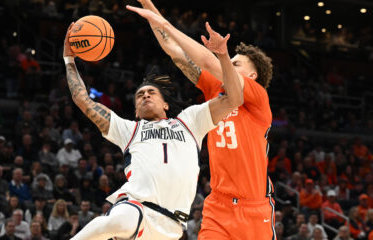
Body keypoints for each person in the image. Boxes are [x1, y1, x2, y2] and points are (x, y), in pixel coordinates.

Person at [63, 9, 242, 238]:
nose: (145, 96)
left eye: (151, 92)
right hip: (136, 208)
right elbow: (83, 101)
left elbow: (234, 99)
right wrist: (69, 59)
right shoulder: (129, 129)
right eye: (139, 95)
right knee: (107, 224)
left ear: (166, 104)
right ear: (136, 111)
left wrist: (224, 57)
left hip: (171, 227)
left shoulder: (190, 121)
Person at [127, 1, 275, 239]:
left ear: (252, 76)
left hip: (254, 209)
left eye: (235, 64)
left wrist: (222, 56)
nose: (227, 67)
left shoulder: (258, 98)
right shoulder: (215, 89)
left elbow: (210, 62)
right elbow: (174, 50)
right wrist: (152, 11)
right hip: (219, 205)